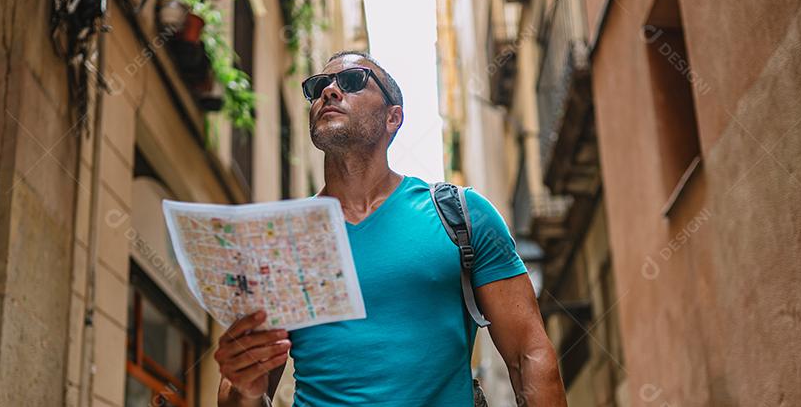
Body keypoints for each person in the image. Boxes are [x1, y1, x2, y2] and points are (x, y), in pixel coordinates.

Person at [214, 51, 566, 406]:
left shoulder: (461, 215)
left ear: (393, 118)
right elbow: (239, 394)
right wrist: (244, 387)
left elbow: (529, 354)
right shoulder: (281, 242)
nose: (330, 91)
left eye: (352, 81)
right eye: (319, 86)